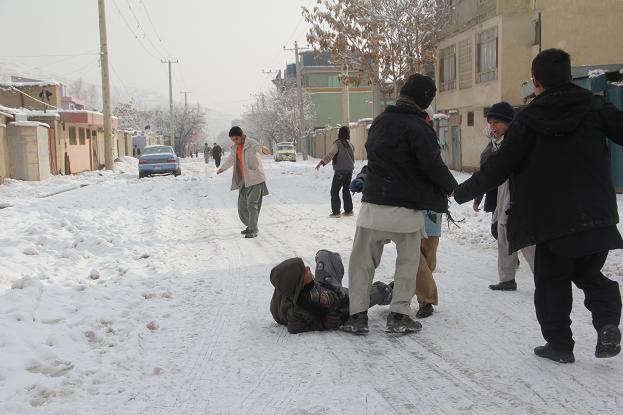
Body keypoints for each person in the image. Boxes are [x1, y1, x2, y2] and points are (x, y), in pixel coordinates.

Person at [453, 49, 623, 363]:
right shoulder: (595, 106)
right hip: (595, 215)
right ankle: (608, 322)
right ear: (571, 76)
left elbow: (499, 167)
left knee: (552, 283)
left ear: (535, 82)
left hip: (549, 220)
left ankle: (560, 346)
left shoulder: (527, 120)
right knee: (589, 273)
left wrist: (461, 192)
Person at [343, 74, 457, 335]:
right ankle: (398, 315)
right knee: (407, 265)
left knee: (361, 262)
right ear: (425, 100)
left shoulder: (380, 122)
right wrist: (453, 187)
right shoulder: (420, 127)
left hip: (373, 207)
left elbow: (372, 154)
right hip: (406, 211)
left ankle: (357, 316)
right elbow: (432, 164)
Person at [351, 167, 442, 319]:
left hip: (432, 205)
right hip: (407, 205)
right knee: (415, 258)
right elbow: (377, 164)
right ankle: (426, 299)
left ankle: (416, 294)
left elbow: (438, 168)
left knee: (429, 254)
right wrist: (362, 177)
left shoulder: (430, 147)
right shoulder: (396, 146)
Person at [475, 102, 535, 291]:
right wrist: (479, 197)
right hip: (502, 194)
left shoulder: (518, 141)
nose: (493, 127)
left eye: (497, 122)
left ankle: (545, 279)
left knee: (526, 241)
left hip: (519, 194)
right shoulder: (494, 144)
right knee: (503, 236)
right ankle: (507, 279)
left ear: (509, 122)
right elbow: (486, 173)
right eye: (490, 123)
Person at [270, 253, 393, 334]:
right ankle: (392, 293)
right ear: (298, 283)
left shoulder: (287, 288)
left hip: (325, 286)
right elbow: (294, 327)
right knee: (377, 292)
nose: (308, 268)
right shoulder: (299, 310)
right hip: (339, 301)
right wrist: (325, 322)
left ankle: (385, 289)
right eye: (304, 270)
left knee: (324, 255)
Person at [217, 126, 271, 238]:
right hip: (243, 180)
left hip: (255, 179)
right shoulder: (235, 147)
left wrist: (264, 150)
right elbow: (231, 159)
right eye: (232, 140)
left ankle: (253, 229)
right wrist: (223, 168)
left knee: (252, 204)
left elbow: (258, 147)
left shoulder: (251, 143)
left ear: (241, 136)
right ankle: (251, 225)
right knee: (242, 206)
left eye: (236, 139)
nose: (234, 141)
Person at [315, 126, 355, 217]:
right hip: (349, 171)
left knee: (334, 191)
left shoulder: (337, 144)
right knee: (346, 190)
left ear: (339, 133)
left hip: (340, 171)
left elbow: (330, 155)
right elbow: (352, 158)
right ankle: (349, 211)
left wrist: (321, 163)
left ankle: (336, 212)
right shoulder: (351, 145)